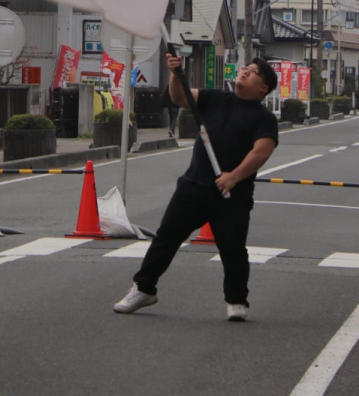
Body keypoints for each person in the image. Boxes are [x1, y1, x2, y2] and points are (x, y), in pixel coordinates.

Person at [114, 55, 278, 322]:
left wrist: (234, 177)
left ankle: (237, 300)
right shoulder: (215, 98)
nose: (245, 72)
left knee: (233, 248)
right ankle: (143, 289)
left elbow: (261, 152)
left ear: (264, 88)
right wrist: (175, 73)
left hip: (232, 195)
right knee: (166, 238)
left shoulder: (264, 118)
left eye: (254, 72)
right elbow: (180, 97)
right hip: (193, 186)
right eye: (245, 68)